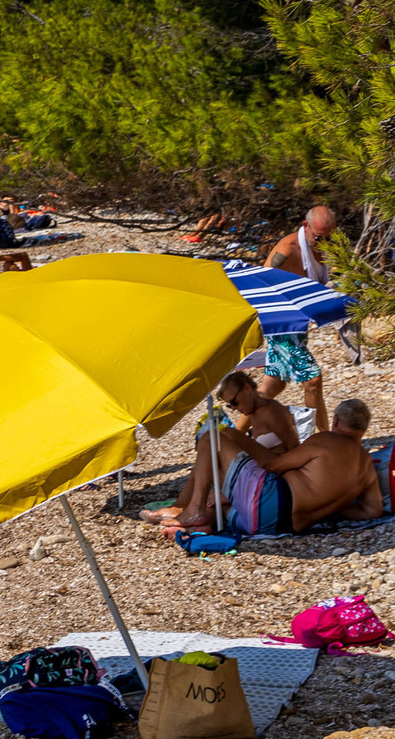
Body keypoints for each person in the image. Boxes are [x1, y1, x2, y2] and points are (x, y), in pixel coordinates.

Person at [178, 396, 380, 536]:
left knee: (210, 438)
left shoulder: (327, 440)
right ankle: (205, 521)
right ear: (362, 430)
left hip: (270, 499)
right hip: (270, 525)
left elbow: (274, 467)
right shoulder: (367, 467)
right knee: (223, 491)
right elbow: (372, 511)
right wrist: (335, 508)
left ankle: (195, 509)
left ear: (335, 421)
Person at [149, 372, 299, 529]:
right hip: (262, 472)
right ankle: (191, 515)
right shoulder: (255, 412)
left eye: (235, 402)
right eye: (230, 405)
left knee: (222, 436)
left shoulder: (270, 410)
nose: (235, 408)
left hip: (274, 476)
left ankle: (191, 510)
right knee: (207, 467)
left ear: (247, 388)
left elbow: (294, 448)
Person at [252, 204, 338, 433]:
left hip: (299, 323)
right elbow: (259, 282)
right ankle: (325, 439)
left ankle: (229, 436)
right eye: (319, 237)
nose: (324, 243)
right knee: (312, 380)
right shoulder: (289, 249)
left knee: (273, 385)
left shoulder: (326, 245)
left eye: (329, 237)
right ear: (305, 226)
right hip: (281, 321)